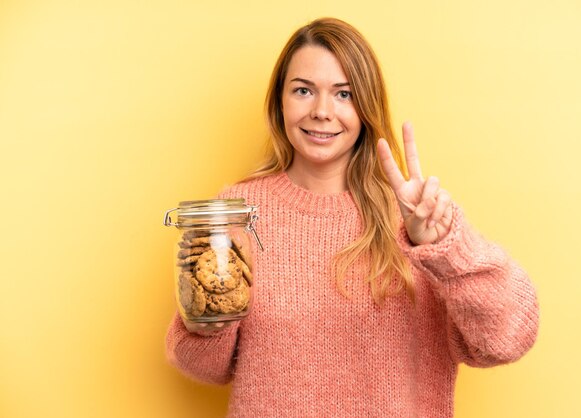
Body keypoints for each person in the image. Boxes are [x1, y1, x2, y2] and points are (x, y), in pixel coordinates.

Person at [165, 17, 539, 417]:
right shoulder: (238, 210)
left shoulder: (417, 218)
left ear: (366, 106)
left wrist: (445, 249)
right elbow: (203, 366)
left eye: (343, 94)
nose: (322, 111)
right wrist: (205, 326)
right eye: (303, 90)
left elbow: (508, 338)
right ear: (280, 101)